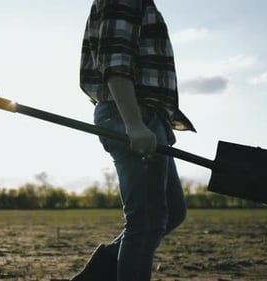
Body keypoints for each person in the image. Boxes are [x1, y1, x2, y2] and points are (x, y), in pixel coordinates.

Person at [71, 0, 195, 280]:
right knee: (147, 222)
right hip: (131, 113)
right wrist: (134, 122)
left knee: (172, 211)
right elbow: (115, 60)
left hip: (146, 117)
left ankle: (96, 276)